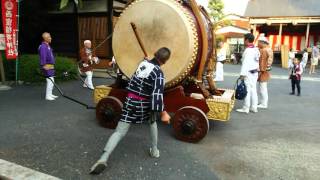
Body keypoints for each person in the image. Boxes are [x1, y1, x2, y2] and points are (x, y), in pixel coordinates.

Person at [90, 47, 171, 174]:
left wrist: (146, 62)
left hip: (130, 101)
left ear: (155, 54)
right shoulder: (159, 73)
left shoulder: (142, 64)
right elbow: (157, 95)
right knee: (152, 122)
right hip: (143, 105)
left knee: (119, 132)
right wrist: (163, 113)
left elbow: (134, 80)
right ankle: (154, 151)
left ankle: (103, 158)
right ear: (165, 61)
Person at [236, 33, 260, 114]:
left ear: (246, 40)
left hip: (248, 72)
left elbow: (245, 63)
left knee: (247, 90)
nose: (243, 41)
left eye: (244, 39)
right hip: (255, 72)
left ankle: (246, 108)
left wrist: (242, 74)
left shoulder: (248, 50)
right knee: (253, 90)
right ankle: (254, 107)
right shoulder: (256, 49)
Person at [39, 32, 58, 101]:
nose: (51, 38)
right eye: (49, 37)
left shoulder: (47, 45)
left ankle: (50, 94)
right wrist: (43, 65)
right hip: (46, 65)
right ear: (45, 38)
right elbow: (43, 57)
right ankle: (48, 96)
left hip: (50, 65)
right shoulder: (43, 46)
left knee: (52, 80)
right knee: (50, 81)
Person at [257, 36, 271, 109]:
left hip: (263, 71)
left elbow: (262, 62)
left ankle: (263, 103)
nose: (258, 43)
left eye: (259, 42)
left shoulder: (264, 50)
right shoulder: (268, 49)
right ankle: (263, 102)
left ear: (263, 43)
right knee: (263, 87)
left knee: (262, 88)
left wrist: (260, 70)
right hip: (266, 71)